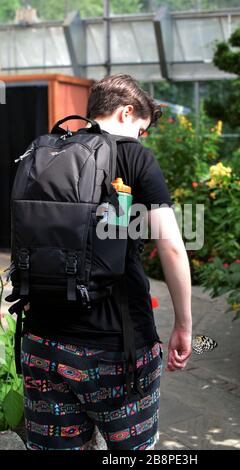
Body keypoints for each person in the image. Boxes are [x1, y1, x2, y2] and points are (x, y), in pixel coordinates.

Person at [20, 74, 193, 451]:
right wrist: (183, 324)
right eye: (142, 129)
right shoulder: (134, 156)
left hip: (42, 344)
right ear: (127, 112)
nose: (143, 138)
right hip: (117, 350)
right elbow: (173, 247)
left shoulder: (44, 153)